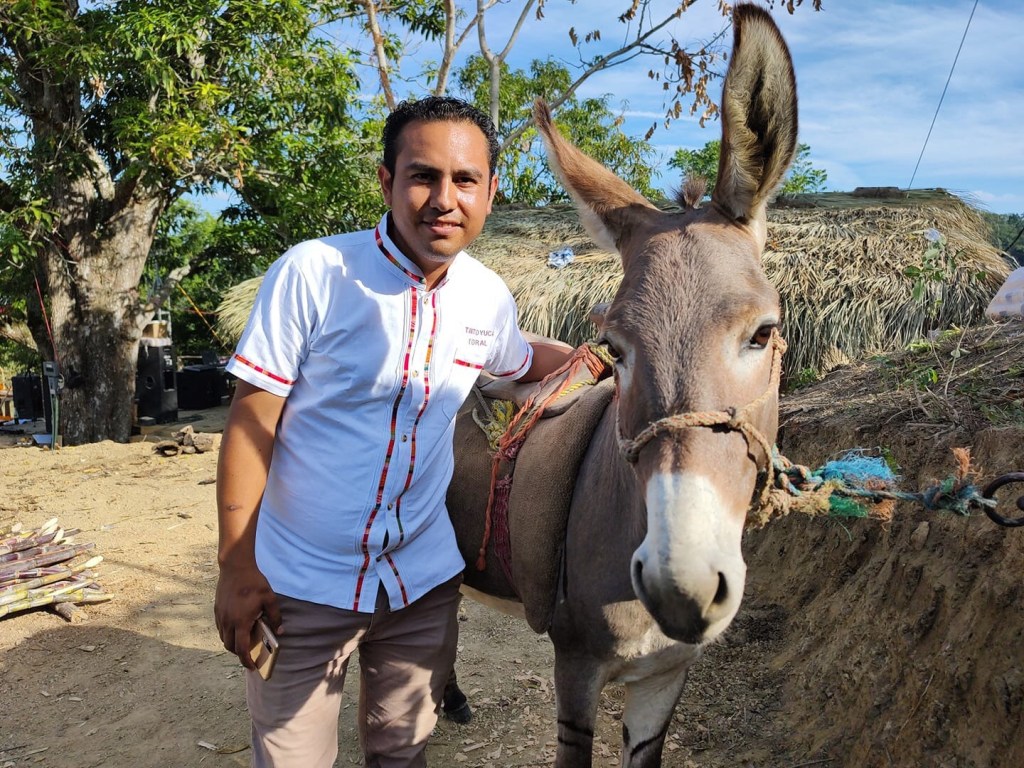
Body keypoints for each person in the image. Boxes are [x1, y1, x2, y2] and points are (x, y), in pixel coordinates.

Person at [214, 95, 572, 767]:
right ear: (386, 181)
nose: (444, 198)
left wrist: (607, 355)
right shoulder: (314, 275)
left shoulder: (487, 298)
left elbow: (520, 361)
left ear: (491, 192)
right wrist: (237, 565)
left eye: (465, 180)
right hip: (301, 580)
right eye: (422, 176)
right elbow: (251, 423)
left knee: (403, 754)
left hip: (420, 582)